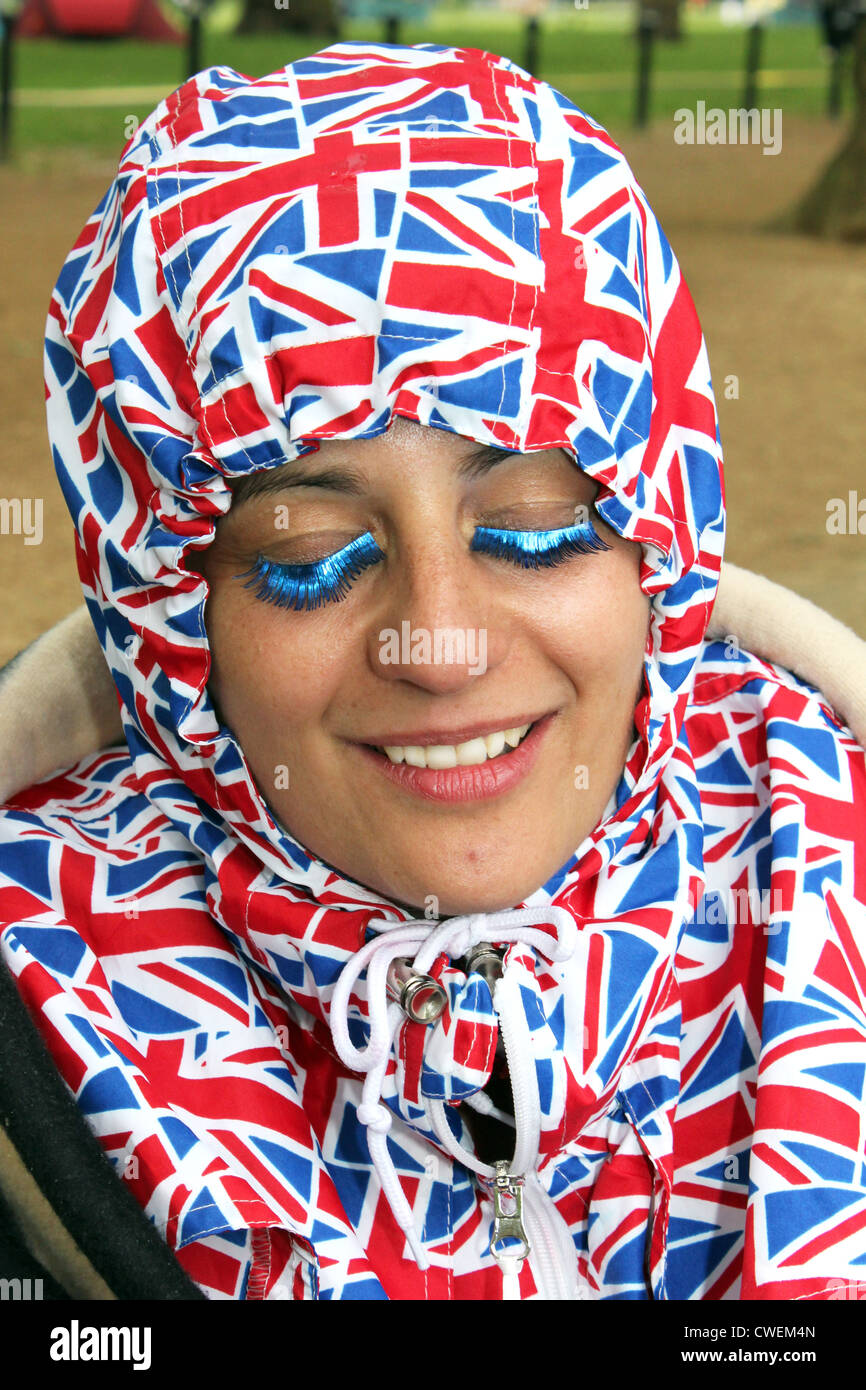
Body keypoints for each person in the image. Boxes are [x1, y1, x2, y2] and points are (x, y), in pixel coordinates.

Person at [1, 41, 865, 1302]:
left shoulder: (828, 850)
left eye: (534, 523)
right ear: (165, 622)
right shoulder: (45, 1020)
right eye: (304, 555)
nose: (440, 646)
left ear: (659, 553)